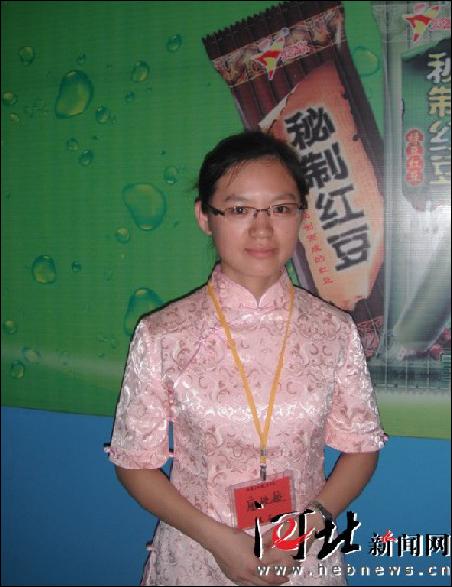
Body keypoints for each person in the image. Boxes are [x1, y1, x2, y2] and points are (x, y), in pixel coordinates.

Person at [105, 131, 386, 586]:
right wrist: (219, 541)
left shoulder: (333, 331)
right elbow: (133, 462)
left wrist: (301, 533)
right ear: (205, 216)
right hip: (198, 554)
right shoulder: (163, 334)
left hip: (301, 556)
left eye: (280, 208)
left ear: (301, 215)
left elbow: (361, 446)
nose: (262, 229)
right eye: (239, 210)